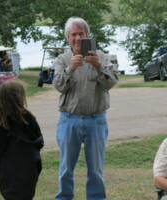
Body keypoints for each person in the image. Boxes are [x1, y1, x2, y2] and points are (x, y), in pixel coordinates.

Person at [53, 17, 118, 200]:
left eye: (81, 33)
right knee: (66, 168)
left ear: (87, 35)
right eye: (74, 34)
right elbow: (58, 86)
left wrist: (98, 66)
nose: (77, 38)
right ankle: (64, 197)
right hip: (69, 119)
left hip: (95, 119)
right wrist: (70, 69)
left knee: (96, 169)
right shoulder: (62, 59)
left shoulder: (102, 57)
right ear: (68, 37)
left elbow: (111, 83)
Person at [0, 80, 44, 200]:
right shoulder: (28, 117)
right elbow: (39, 140)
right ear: (20, 97)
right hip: (29, 166)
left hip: (7, 168)